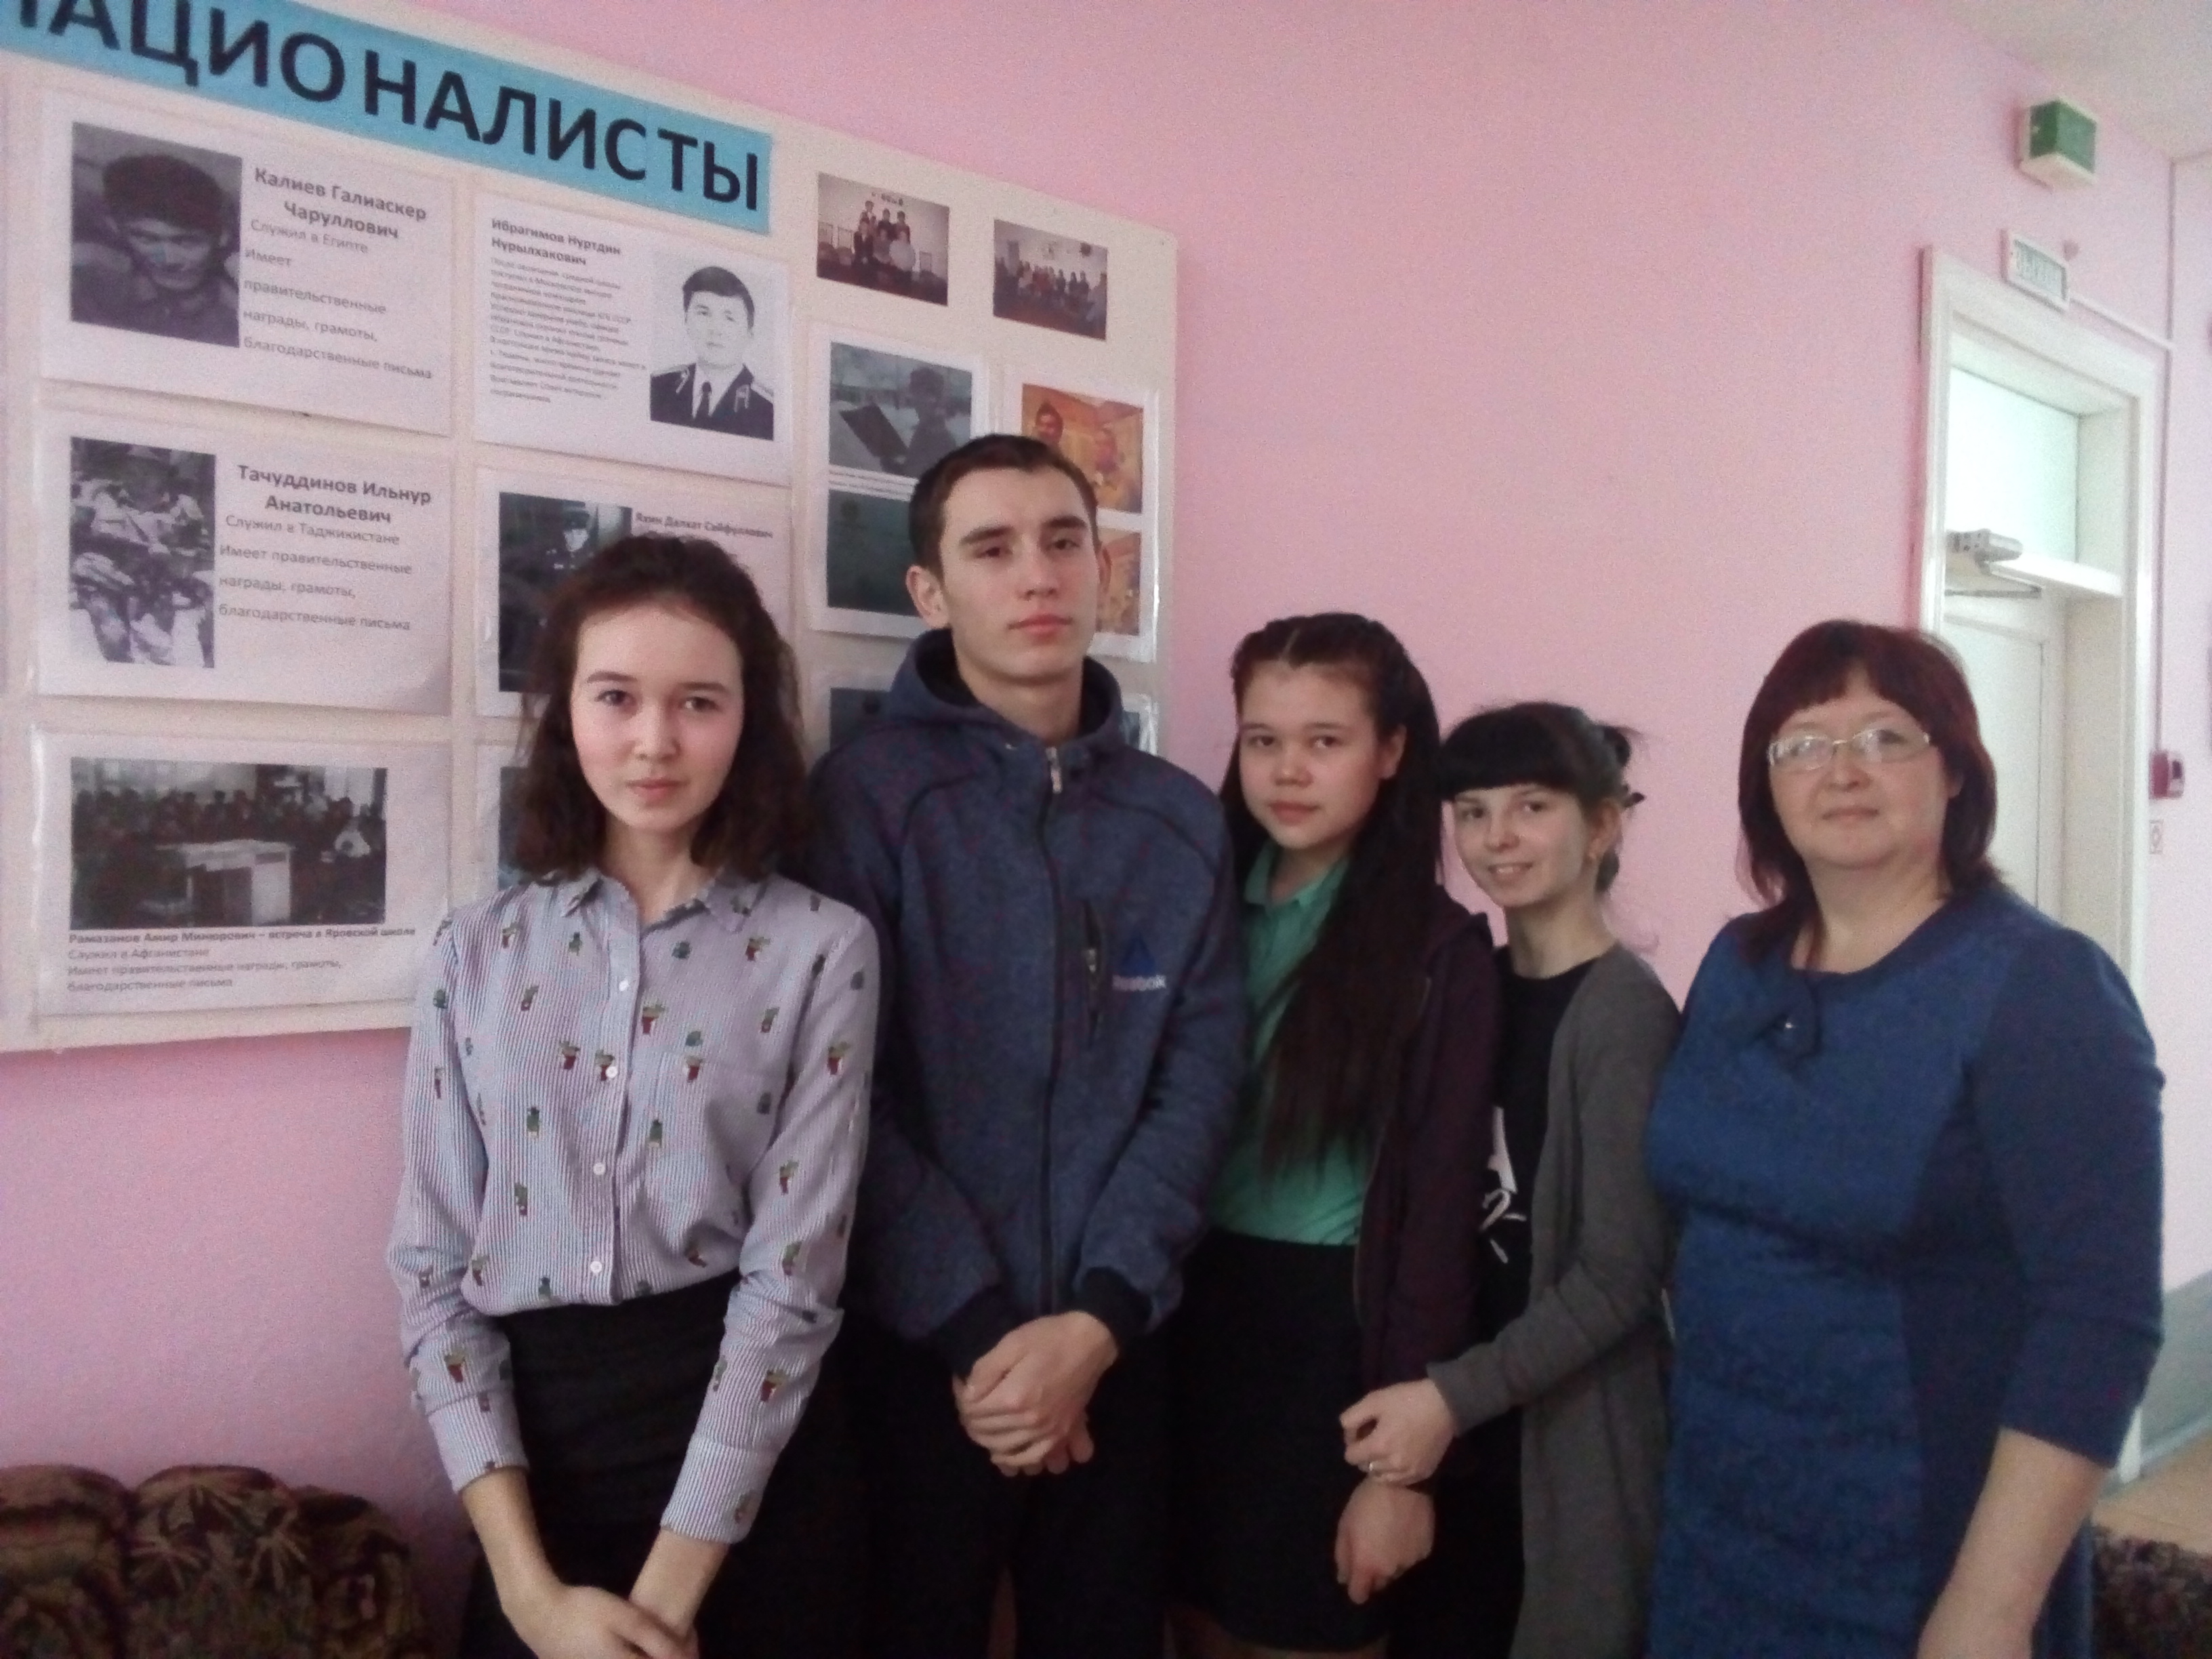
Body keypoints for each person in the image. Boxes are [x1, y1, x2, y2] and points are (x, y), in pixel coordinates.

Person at [389, 535, 878, 1658]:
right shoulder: (476, 951)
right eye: (616, 697)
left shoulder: (821, 947)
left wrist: (664, 1602)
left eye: (698, 702)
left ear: (747, 720)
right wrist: (530, 1596)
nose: (655, 741)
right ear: (565, 712)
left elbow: (795, 1280)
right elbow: (431, 1274)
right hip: (534, 1479)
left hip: (752, 1460)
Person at [800, 434, 1244, 1658]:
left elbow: (1198, 1082)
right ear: (930, 591)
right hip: (921, 1353)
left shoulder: (1176, 819)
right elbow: (841, 1099)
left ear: (1102, 568)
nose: (1037, 575)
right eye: (991, 549)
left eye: (1062, 542)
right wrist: (983, 1336)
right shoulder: (863, 801)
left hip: (1119, 1347)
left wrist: (1093, 1326)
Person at [1643, 620, 2163, 1659]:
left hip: (1920, 1554)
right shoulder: (1738, 966)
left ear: (1955, 772)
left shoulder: (2042, 989)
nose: (1842, 771)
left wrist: (1992, 1609)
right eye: (1804, 744)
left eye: (1886, 737)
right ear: (1766, 784)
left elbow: (2098, 1321)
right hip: (1717, 1529)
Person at [1170, 615, 1498, 1659]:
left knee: (1303, 1629)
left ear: (1391, 751)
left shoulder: (1439, 955)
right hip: (1179, 1310)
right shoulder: (1196, 902)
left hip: (1329, 1335)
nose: (1288, 772)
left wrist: (1402, 1476)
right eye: (1263, 740)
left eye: (1325, 741)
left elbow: (1438, 1221)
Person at [1339, 703, 1678, 1659]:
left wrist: (1449, 1398)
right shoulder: (1471, 983)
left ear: (1601, 827)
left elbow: (1620, 1277)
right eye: (1474, 811)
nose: (1498, 838)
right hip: (1457, 1434)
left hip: (1558, 1445)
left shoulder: (1623, 1019)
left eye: (1532, 807)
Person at [73, 149, 239, 346]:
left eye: (187, 242)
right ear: (115, 227)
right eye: (146, 239)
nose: (168, 260)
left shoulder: (235, 309)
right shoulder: (93, 285)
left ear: (223, 236)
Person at [72, 445, 212, 668]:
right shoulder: (103, 496)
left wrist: (169, 556)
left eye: (147, 472)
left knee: (157, 651)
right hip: (105, 583)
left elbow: (199, 558)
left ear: (164, 475)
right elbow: (74, 536)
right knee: (114, 641)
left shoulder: (184, 508)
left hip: (155, 586)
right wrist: (86, 499)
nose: (138, 478)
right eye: (131, 471)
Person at [649, 268, 774, 438]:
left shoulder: (768, 408)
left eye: (729, 318)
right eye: (704, 313)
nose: (715, 329)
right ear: (686, 320)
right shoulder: (657, 387)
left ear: (749, 334)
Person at [499, 503, 600, 693]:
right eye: (570, 533)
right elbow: (537, 588)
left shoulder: (594, 561)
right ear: (564, 534)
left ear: (586, 535)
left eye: (579, 533)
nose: (574, 537)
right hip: (548, 619)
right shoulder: (550, 557)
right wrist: (543, 613)